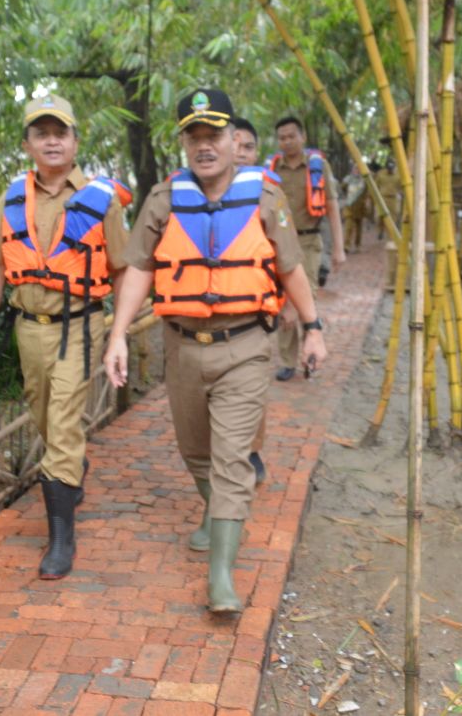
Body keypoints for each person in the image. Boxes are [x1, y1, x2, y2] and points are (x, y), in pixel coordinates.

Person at [104, 89, 327, 614]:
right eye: (194, 136)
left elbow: (291, 268)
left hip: (246, 344)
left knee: (231, 459)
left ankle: (220, 576)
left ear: (233, 141)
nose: (205, 146)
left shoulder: (266, 199)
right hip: (181, 346)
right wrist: (118, 334)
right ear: (183, 142)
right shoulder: (163, 200)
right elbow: (139, 269)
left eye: (215, 135)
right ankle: (213, 512)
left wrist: (313, 328)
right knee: (195, 452)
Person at [0, 94, 131, 581]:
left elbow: (124, 271)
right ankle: (69, 470)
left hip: (80, 326)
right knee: (44, 415)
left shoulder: (100, 200)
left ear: (76, 140)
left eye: (60, 131)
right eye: (41, 133)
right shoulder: (11, 198)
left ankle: (61, 540)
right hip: (27, 330)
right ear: (28, 145)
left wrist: (117, 335)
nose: (52, 140)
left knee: (62, 425)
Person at [268, 116, 345, 382]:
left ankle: (310, 355)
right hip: (280, 243)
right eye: (282, 137)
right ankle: (288, 361)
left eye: (292, 136)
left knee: (304, 299)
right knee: (282, 301)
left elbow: (333, 207)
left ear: (302, 137)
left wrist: (339, 248)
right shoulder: (273, 168)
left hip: (309, 242)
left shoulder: (318, 166)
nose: (287, 141)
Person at [232, 116, 269, 486]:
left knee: (252, 388)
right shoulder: (194, 193)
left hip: (256, 314)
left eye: (249, 147)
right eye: (236, 145)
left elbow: (285, 259)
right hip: (209, 317)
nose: (241, 154)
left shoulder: (266, 193)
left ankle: (252, 448)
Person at [340, 163, 370, 252]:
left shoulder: (365, 181)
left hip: (360, 207)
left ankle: (358, 245)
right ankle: (346, 246)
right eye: (355, 169)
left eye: (358, 169)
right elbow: (342, 188)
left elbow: (369, 192)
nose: (356, 171)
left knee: (359, 228)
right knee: (348, 227)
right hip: (350, 206)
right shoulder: (348, 179)